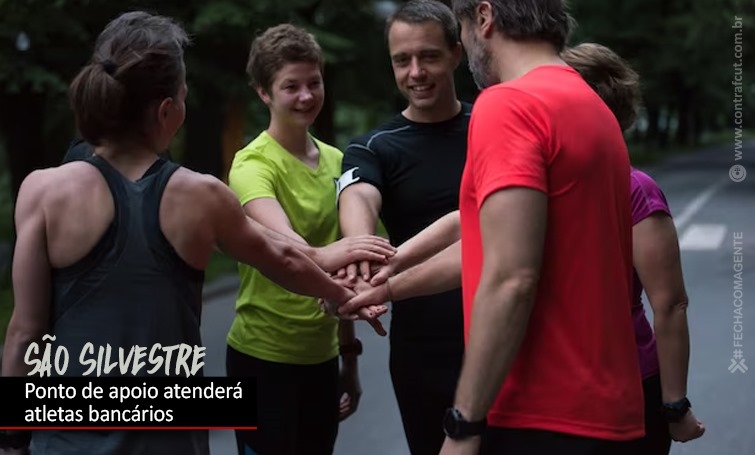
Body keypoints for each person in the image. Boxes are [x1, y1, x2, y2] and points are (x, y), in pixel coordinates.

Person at [1, 11, 392, 455]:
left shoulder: (41, 191)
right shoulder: (201, 194)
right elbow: (281, 259)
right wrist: (343, 296)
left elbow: (23, 332)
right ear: (168, 110)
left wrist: (13, 441)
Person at [345, 0, 645, 453]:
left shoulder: (508, 104)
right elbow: (489, 238)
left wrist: (463, 422)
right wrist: (389, 283)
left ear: (483, 18)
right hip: (608, 408)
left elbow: (511, 278)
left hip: (542, 408)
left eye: (461, 31)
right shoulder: (589, 103)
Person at [224, 23, 389, 455]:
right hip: (260, 359)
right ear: (263, 92)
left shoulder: (337, 161)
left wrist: (348, 358)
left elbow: (357, 264)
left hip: (321, 360)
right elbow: (286, 248)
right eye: (290, 86)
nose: (306, 96)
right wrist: (340, 252)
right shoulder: (251, 165)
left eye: (313, 83)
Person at [335, 1, 470, 453]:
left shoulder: (494, 125)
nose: (416, 72)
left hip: (511, 332)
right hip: (423, 349)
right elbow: (358, 195)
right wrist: (358, 252)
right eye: (401, 60)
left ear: (457, 53)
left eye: (429, 56)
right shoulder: (374, 146)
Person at [562, 42, 705, 453]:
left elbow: (670, 304)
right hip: (546, 386)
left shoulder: (634, 190)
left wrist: (675, 406)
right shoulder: (532, 186)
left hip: (625, 385)